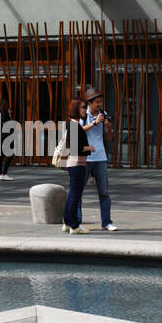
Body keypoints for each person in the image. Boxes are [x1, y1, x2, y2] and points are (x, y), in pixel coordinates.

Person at [81, 85, 117, 231]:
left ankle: (107, 222)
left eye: (100, 102)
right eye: (97, 102)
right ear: (89, 103)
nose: (99, 105)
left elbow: (108, 138)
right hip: (84, 158)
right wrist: (94, 122)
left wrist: (108, 127)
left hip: (100, 157)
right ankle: (76, 221)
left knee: (104, 192)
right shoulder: (82, 114)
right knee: (78, 192)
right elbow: (79, 131)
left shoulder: (103, 114)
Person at [61, 97, 94, 234]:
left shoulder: (74, 124)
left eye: (85, 107)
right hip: (77, 164)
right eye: (82, 107)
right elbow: (75, 148)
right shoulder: (74, 125)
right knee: (75, 195)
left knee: (72, 194)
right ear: (75, 109)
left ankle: (68, 222)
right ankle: (74, 225)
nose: (85, 110)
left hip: (75, 163)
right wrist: (89, 148)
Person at [0, 96, 14, 181]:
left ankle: (0, 174)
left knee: (1, 156)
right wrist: (10, 115)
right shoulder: (6, 114)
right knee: (10, 155)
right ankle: (4, 173)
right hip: (6, 137)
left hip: (0, 137)